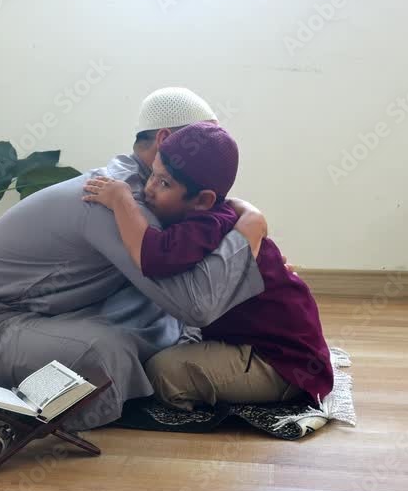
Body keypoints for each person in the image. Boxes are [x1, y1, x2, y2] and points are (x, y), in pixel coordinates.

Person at [0, 87, 269, 431]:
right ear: (165, 139)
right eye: (201, 137)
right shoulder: (116, 200)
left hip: (48, 312)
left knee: (160, 319)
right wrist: (250, 227)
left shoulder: (149, 192)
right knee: (107, 353)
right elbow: (194, 305)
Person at [82, 122, 333, 410]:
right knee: (169, 346)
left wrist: (121, 199)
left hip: (283, 364)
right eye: (153, 175)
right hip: (252, 340)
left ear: (203, 200)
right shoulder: (210, 215)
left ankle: (268, 395)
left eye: (164, 184)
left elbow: (152, 256)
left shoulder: (205, 227)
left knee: (162, 373)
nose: (149, 188)